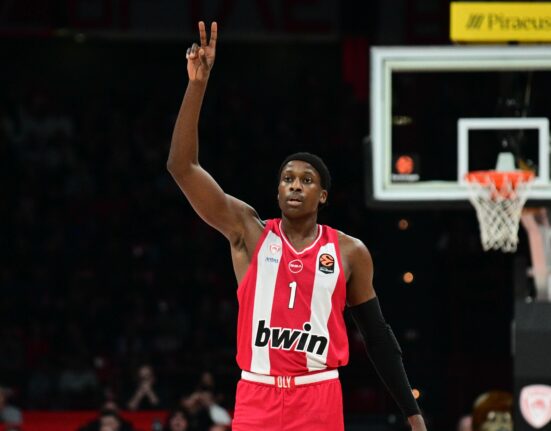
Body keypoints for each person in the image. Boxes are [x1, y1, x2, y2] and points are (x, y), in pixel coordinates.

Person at [167, 21, 427, 431]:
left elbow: (377, 336)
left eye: (306, 180)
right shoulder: (249, 231)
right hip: (257, 395)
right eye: (287, 178)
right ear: (277, 191)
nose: (294, 185)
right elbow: (182, 167)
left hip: (317, 395)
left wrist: (413, 413)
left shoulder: (349, 252)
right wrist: (197, 85)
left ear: (322, 196)